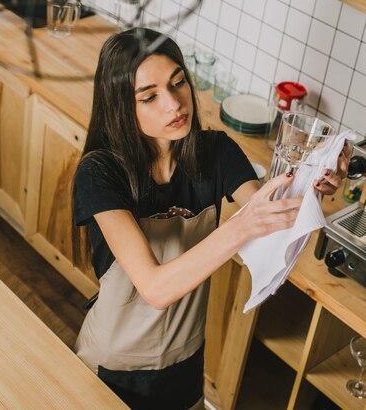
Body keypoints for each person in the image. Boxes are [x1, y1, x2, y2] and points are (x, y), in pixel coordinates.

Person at [72, 28, 348, 410]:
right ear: (121, 107)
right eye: (150, 97)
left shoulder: (216, 152)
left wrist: (317, 181)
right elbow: (156, 289)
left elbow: (272, 222)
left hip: (185, 361)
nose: (174, 104)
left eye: (178, 82)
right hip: (113, 364)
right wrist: (242, 225)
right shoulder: (100, 173)